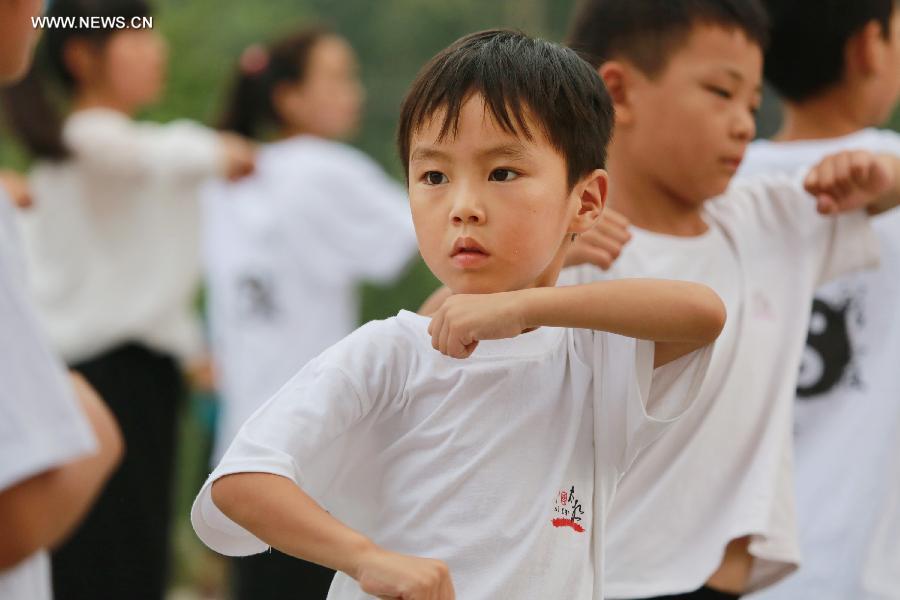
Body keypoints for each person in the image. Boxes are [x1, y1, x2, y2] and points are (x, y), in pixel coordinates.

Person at [192, 29, 725, 600]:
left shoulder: (592, 357)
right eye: (433, 177)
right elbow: (240, 482)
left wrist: (522, 305)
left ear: (587, 201)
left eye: (502, 173)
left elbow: (702, 313)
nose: (463, 207)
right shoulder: (392, 350)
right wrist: (367, 559)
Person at [565, 0, 900, 598]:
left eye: (751, 103)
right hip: (606, 582)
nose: (746, 123)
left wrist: (879, 175)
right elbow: (440, 335)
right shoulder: (569, 251)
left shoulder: (769, 221)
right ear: (618, 91)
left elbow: (878, 190)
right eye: (721, 93)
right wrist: (536, 276)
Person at [1, 1, 254, 598]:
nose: (155, 51)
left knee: (119, 557)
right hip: (108, 377)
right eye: (136, 39)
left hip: (125, 374)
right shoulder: (91, 140)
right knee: (111, 563)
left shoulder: (80, 150)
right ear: (82, 56)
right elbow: (181, 154)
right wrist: (221, 150)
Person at [205, 26, 417, 599]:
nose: (355, 93)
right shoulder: (324, 168)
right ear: (289, 97)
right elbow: (429, 231)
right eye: (338, 78)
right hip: (312, 434)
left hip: (240, 435)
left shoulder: (226, 177)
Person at [738, 1, 900, 598]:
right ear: (868, 47)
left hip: (727, 569)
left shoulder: (714, 182)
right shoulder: (889, 171)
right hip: (859, 570)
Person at [0, 1, 123, 599]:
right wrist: (95, 423)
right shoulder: (97, 141)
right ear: (80, 57)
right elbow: (16, 517)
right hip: (86, 378)